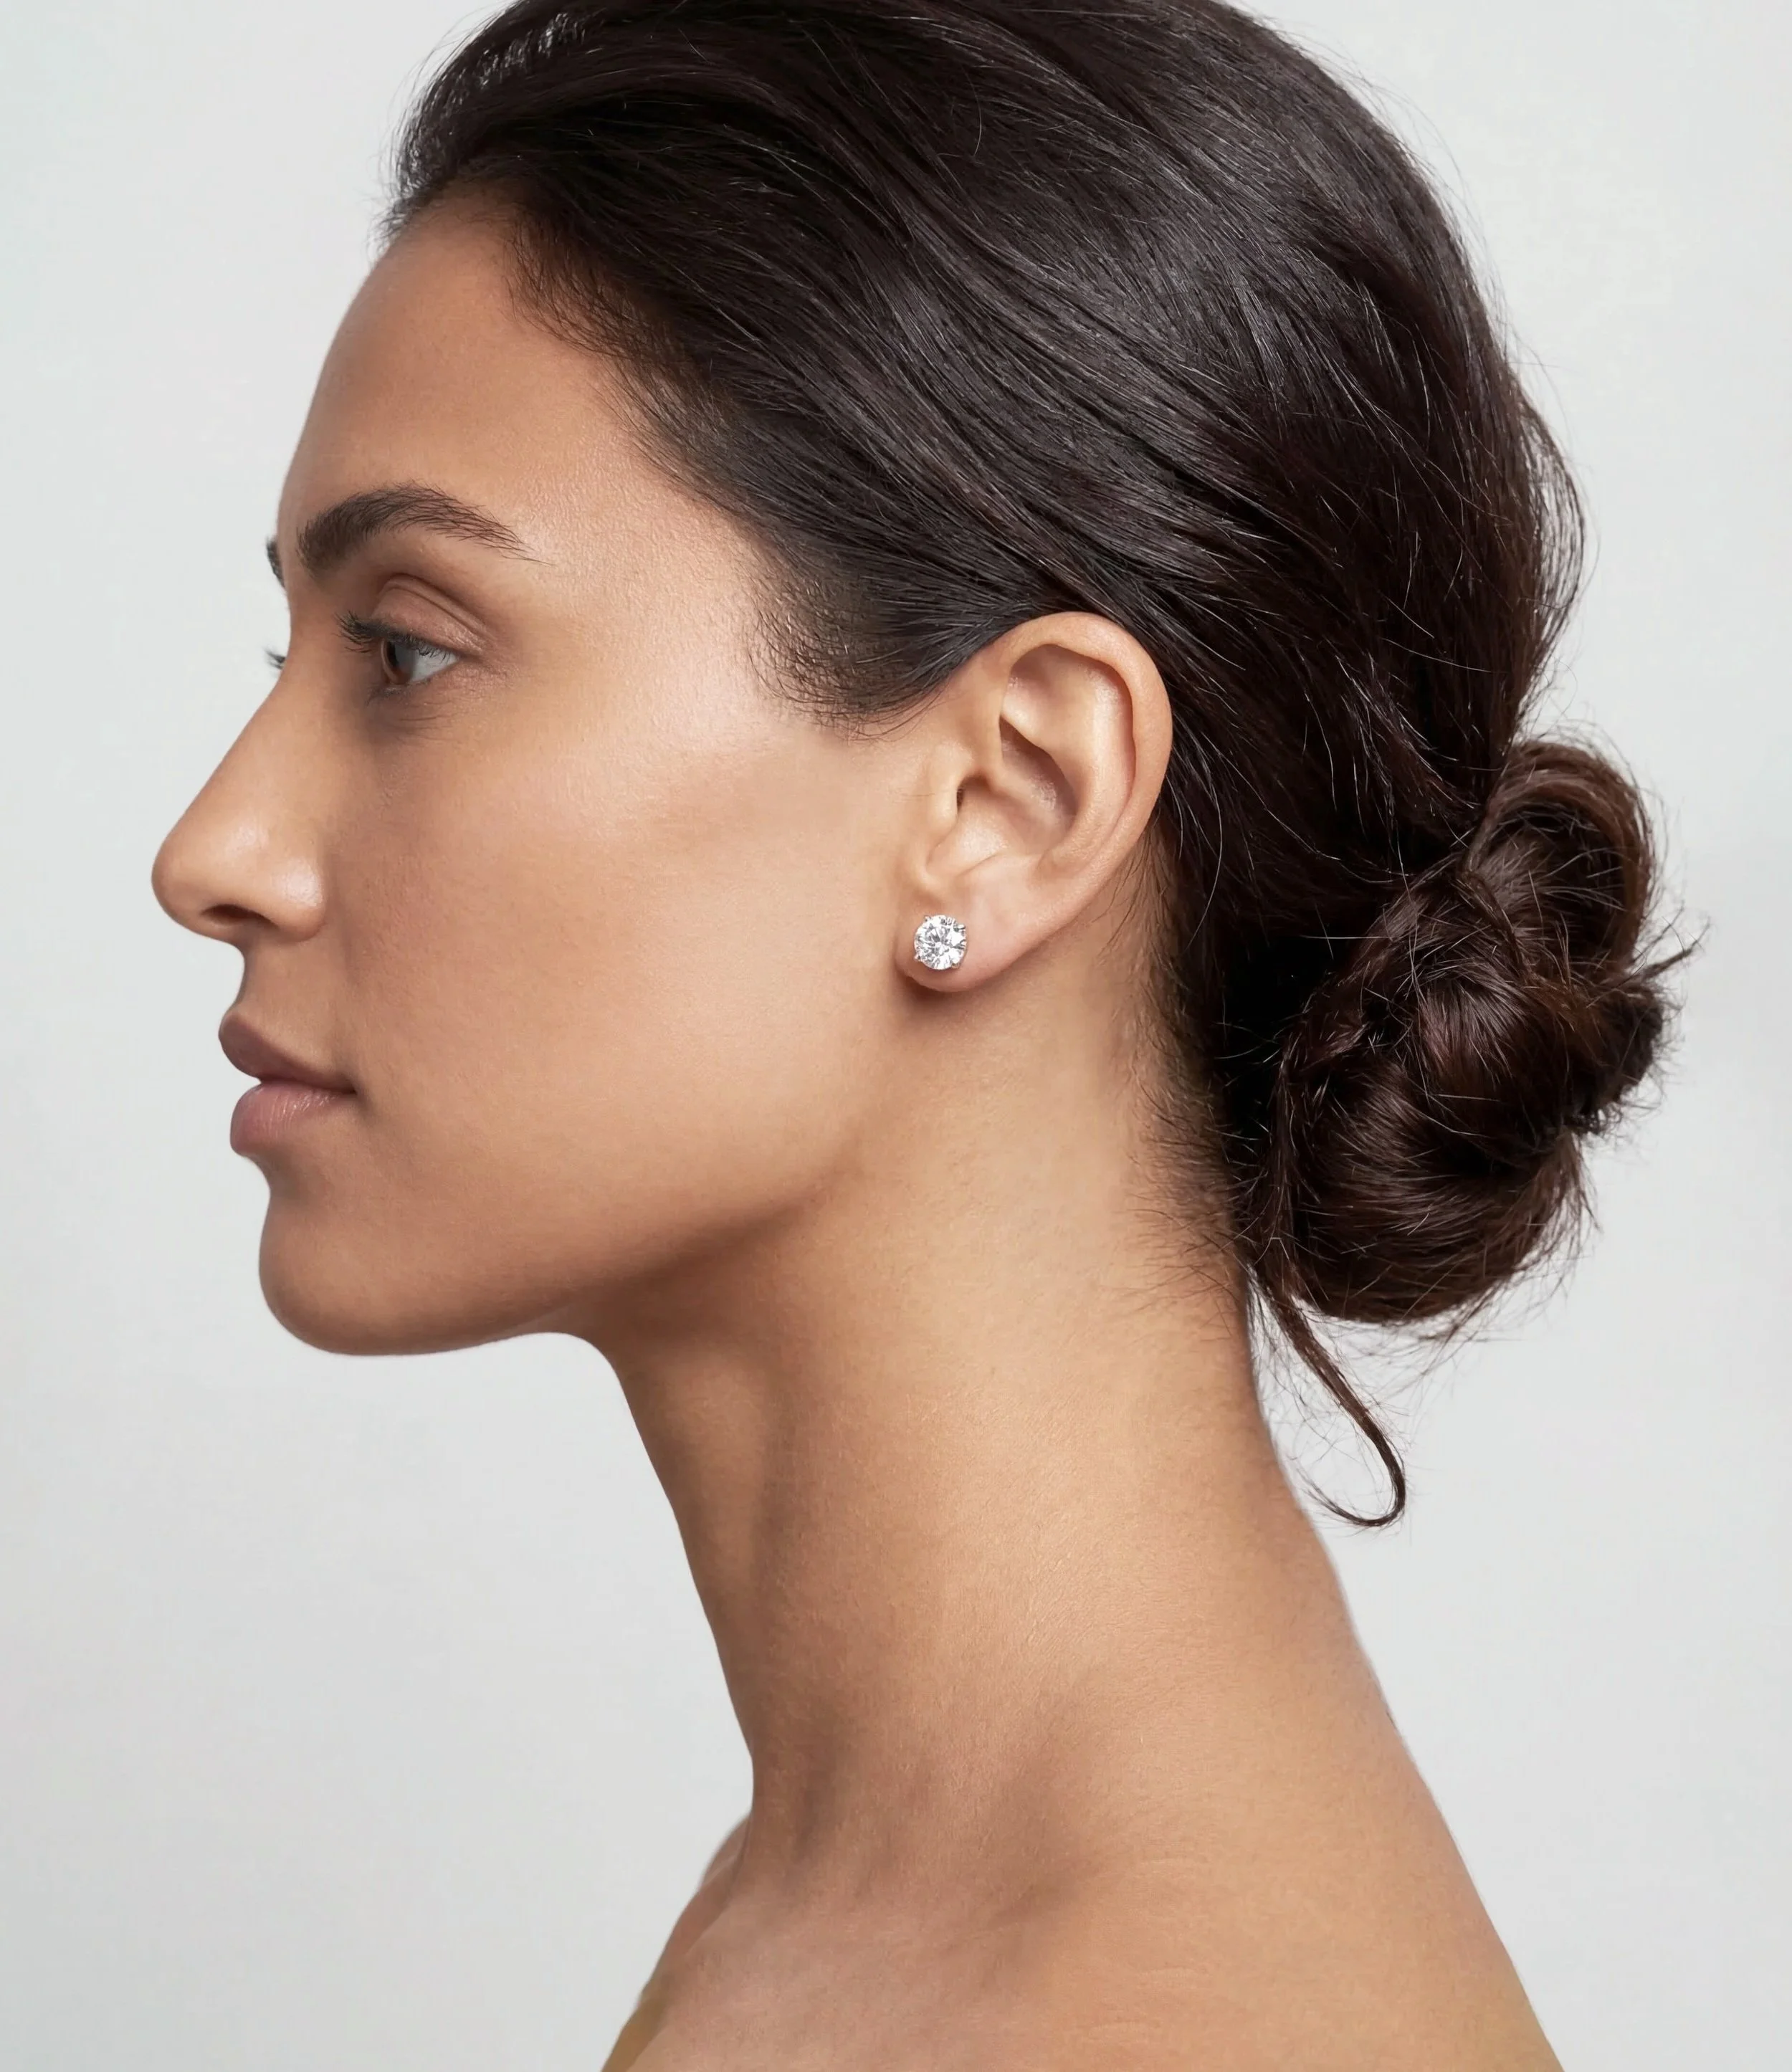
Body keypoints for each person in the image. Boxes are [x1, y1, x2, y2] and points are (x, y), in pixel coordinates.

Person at [152, 1, 1670, 2063]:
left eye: (409, 652)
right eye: (298, 652)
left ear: (1011, 798)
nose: (217, 849)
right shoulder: (850, 1924)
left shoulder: (1129, 2015)